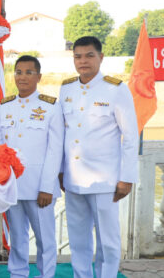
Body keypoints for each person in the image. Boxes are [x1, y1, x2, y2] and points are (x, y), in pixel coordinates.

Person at [59, 36, 138, 278]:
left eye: (89, 55)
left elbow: (130, 136)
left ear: (101, 57)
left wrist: (126, 178)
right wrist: (61, 171)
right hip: (73, 179)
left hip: (105, 180)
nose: (83, 61)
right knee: (78, 240)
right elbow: (63, 133)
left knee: (108, 241)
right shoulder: (66, 88)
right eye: (78, 56)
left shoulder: (116, 89)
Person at [0, 56, 63, 278]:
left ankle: (46, 275)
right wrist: (1, 182)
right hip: (13, 185)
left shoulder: (50, 107)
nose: (22, 77)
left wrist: (47, 188)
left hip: (39, 187)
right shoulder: (4, 107)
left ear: (38, 77)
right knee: (17, 238)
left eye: (28, 72)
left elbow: (55, 151)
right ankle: (18, 274)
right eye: (18, 72)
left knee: (45, 239)